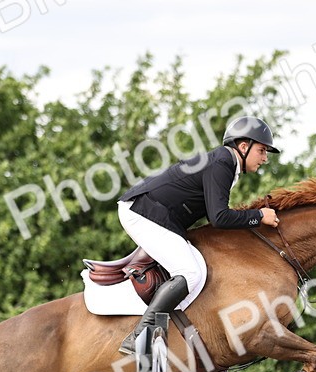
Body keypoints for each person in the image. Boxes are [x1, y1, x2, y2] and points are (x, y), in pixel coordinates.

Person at [116, 116, 280, 354]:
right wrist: (259, 216)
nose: (265, 158)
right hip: (142, 212)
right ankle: (141, 335)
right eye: (262, 150)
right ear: (244, 146)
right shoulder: (223, 162)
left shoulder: (226, 163)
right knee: (190, 273)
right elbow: (219, 218)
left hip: (157, 214)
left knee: (199, 269)